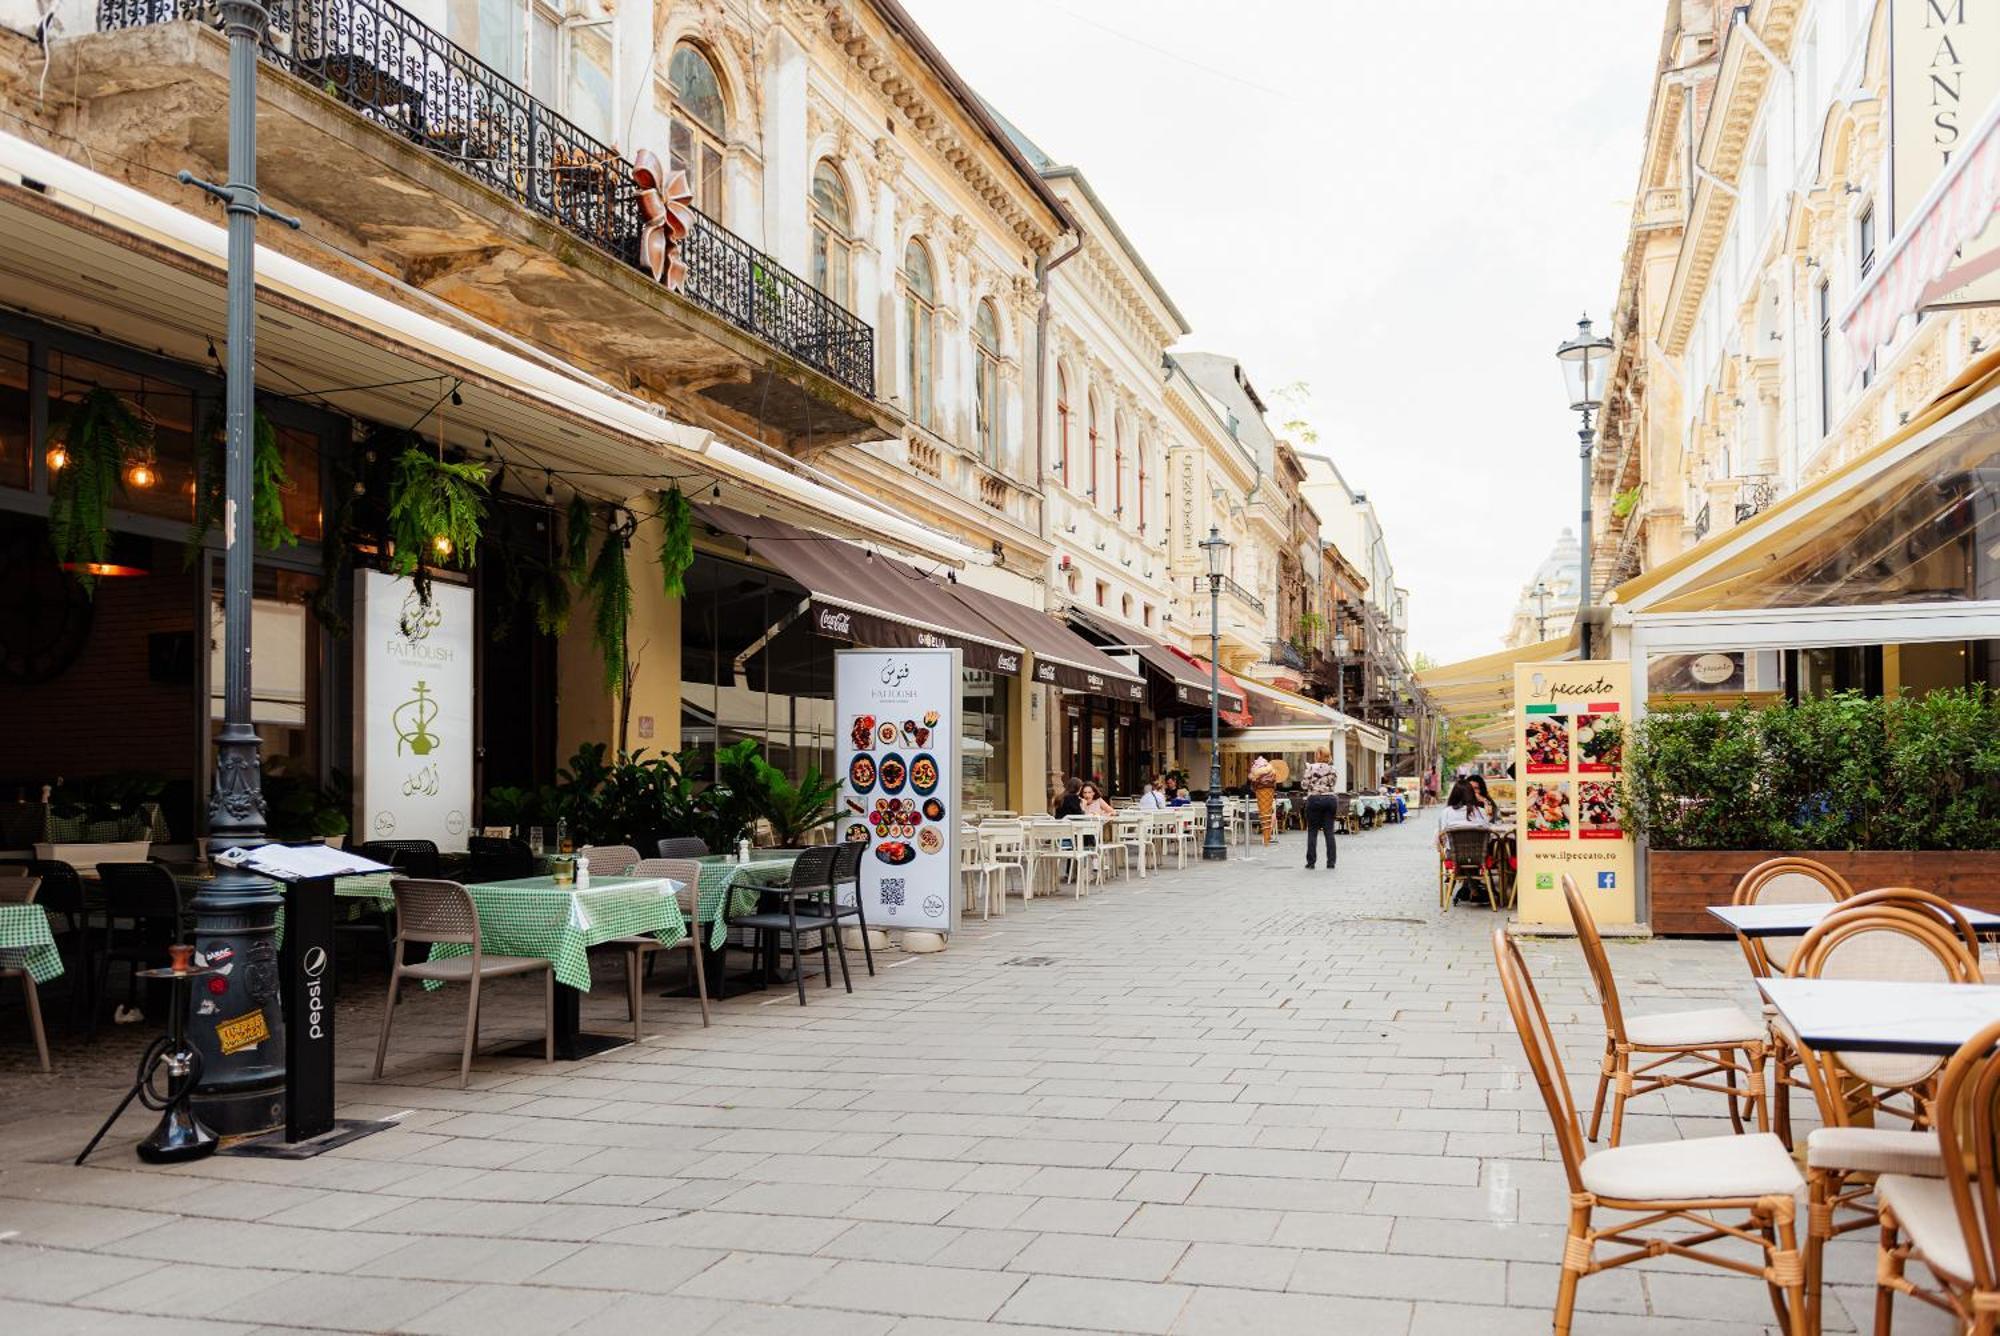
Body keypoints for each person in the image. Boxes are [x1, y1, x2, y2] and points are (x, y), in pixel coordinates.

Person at [1437, 778, 1493, 905]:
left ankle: (1469, 889)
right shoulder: (1480, 812)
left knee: (1462, 856)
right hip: (1479, 857)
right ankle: (1474, 890)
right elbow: (1488, 834)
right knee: (1471, 856)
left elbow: (1441, 837)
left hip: (1454, 856)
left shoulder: (1446, 812)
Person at [1299, 751, 1339, 871]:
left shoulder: (1310, 768)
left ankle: (1311, 862)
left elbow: (1304, 785)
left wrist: (1312, 784)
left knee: (1312, 831)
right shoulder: (1333, 769)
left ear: (1317, 756)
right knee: (1329, 832)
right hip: (1330, 799)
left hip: (1314, 800)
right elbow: (1333, 783)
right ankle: (1331, 862)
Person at [1247, 755, 1278, 846]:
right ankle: (1266, 839)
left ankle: (1267, 839)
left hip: (1261, 787)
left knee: (1266, 815)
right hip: (1266, 786)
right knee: (1268, 814)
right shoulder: (1269, 769)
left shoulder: (1260, 770)